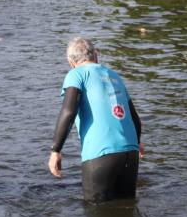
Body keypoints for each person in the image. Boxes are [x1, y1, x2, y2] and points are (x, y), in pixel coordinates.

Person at [49, 37, 143, 203]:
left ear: (71, 61)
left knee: (96, 215)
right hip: (131, 153)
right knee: (127, 210)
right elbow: (134, 115)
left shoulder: (76, 74)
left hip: (100, 155)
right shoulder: (114, 75)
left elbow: (69, 111)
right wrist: (137, 141)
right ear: (96, 55)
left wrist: (56, 150)